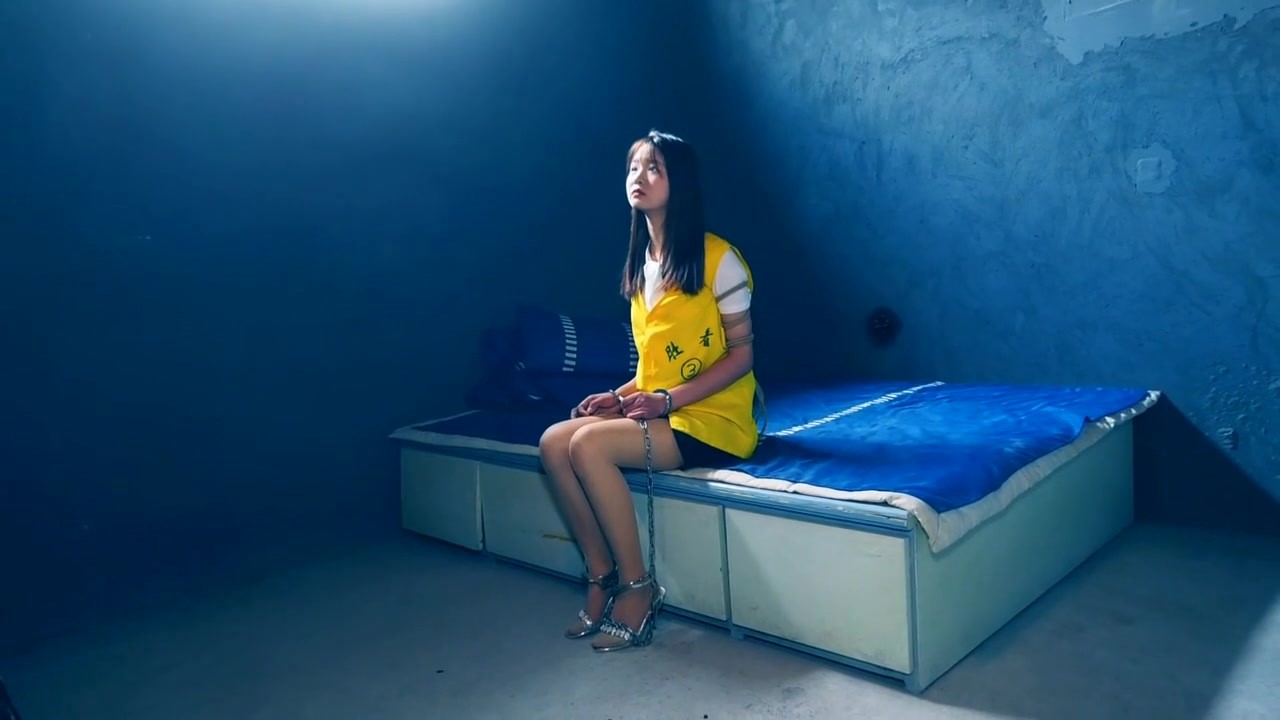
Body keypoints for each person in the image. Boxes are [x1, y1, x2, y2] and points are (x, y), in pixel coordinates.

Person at [538, 129, 760, 652]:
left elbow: (742, 357)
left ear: (679, 182)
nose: (639, 176)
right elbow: (654, 368)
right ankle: (601, 575)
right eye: (634, 167)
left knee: (587, 445)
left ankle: (638, 588)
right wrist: (619, 396)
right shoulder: (644, 265)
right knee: (553, 441)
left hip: (714, 421)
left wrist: (666, 401)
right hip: (664, 411)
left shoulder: (719, 259)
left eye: (654, 167)